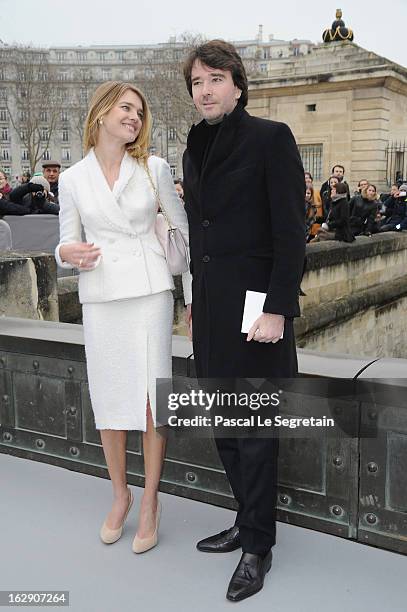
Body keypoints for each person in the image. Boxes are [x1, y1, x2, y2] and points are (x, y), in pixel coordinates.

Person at [182, 40, 305, 602]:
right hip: (210, 309)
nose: (203, 90)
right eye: (196, 83)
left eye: (212, 79)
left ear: (237, 82)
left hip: (258, 312)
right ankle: (244, 519)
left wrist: (278, 308)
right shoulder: (194, 142)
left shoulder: (271, 138)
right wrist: (192, 303)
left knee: (256, 433)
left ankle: (259, 545)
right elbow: (200, 236)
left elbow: (290, 232)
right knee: (224, 427)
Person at [54, 81, 191, 554]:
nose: (134, 117)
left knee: (154, 397)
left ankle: (151, 499)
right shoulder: (71, 179)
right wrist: (65, 252)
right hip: (102, 296)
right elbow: (64, 241)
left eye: (139, 111)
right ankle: (120, 494)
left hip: (150, 292)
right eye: (126, 108)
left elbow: (182, 234)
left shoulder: (153, 168)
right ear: (101, 113)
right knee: (109, 397)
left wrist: (190, 299)